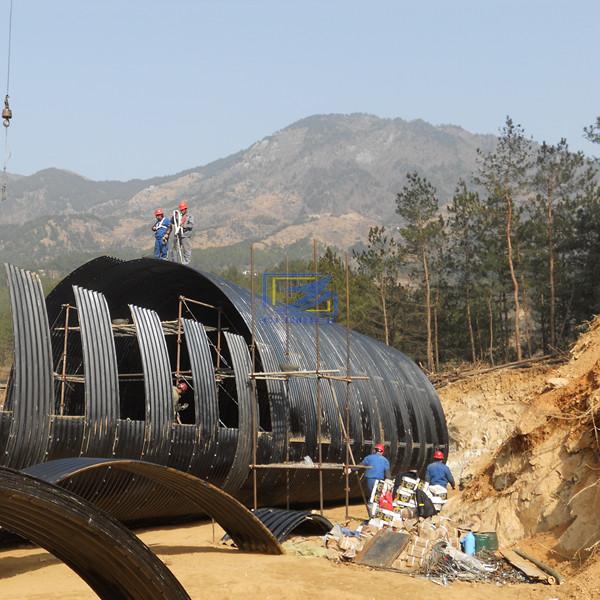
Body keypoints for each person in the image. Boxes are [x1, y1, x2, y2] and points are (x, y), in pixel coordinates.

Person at [164, 201, 194, 265]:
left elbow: (191, 225)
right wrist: (174, 216)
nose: (182, 210)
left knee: (186, 250)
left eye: (183, 209)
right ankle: (174, 262)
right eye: (181, 209)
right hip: (177, 235)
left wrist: (184, 226)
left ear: (186, 209)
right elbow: (172, 222)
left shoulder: (189, 216)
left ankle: (186, 263)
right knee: (174, 249)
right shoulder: (178, 216)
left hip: (185, 235)